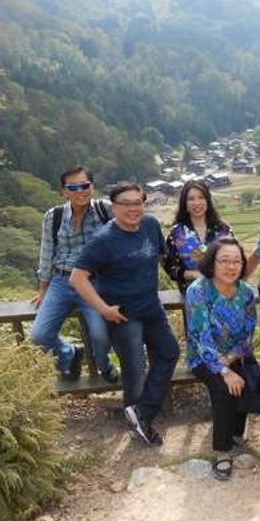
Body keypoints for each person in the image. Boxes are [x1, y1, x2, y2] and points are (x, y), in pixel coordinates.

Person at [70, 183, 180, 446]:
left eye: (138, 202)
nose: (134, 208)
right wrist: (103, 309)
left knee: (170, 352)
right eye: (126, 204)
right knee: (134, 369)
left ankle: (141, 413)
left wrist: (187, 278)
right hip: (123, 315)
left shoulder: (151, 225)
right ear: (114, 207)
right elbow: (78, 278)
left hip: (151, 306)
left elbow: (164, 257)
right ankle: (141, 423)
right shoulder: (104, 240)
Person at [30, 166, 119, 383]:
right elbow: (47, 252)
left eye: (85, 185)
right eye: (73, 187)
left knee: (100, 335)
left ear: (92, 186)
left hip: (93, 282)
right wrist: (43, 289)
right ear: (64, 191)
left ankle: (104, 365)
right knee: (39, 336)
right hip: (61, 282)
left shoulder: (105, 210)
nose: (81, 191)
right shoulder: (54, 216)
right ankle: (68, 353)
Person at [184, 238, 260, 480]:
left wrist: (233, 357)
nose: (231, 266)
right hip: (204, 358)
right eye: (224, 260)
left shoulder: (246, 293)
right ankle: (222, 450)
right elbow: (199, 335)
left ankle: (235, 433)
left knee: (250, 378)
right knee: (224, 388)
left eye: (237, 261)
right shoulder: (198, 291)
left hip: (235, 353)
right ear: (212, 263)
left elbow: (249, 330)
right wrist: (223, 368)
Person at [164, 180, 232, 295]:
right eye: (191, 199)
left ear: (207, 200)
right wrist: (193, 274)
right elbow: (171, 269)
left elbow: (235, 261)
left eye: (201, 197)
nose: (197, 203)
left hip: (223, 295)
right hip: (193, 299)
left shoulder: (223, 230)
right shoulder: (176, 234)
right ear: (184, 203)